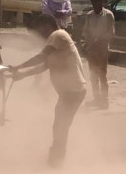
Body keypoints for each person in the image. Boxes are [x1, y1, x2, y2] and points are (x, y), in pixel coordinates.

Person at [13, 15, 88, 165]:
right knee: (60, 125)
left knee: (60, 125)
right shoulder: (57, 40)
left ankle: (56, 160)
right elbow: (45, 65)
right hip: (72, 91)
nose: (39, 34)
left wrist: (18, 67)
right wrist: (22, 75)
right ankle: (57, 157)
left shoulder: (57, 35)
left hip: (72, 90)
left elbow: (42, 57)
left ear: (46, 26)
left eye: (39, 30)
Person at [83, 0, 115, 108]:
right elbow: (86, 31)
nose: (96, 4)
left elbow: (111, 32)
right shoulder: (89, 15)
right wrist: (89, 40)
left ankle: (104, 101)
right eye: (94, 2)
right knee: (93, 76)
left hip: (102, 49)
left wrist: (99, 40)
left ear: (102, 2)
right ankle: (96, 99)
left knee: (102, 75)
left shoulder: (108, 15)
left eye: (98, 2)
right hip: (92, 48)